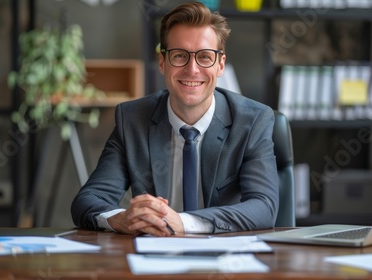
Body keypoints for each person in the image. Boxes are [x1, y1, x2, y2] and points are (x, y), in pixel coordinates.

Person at [71, 2, 278, 237]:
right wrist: (119, 219)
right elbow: (88, 200)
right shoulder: (132, 120)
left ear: (220, 65)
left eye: (204, 57)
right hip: (153, 258)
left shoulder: (252, 121)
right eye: (180, 55)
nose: (192, 69)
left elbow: (264, 207)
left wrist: (184, 222)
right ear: (162, 62)